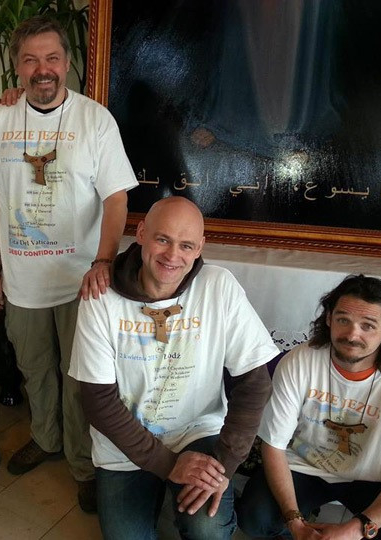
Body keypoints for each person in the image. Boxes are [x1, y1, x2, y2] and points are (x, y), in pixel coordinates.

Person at [0, 15, 138, 512]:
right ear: (17, 68)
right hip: (21, 278)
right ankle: (46, 439)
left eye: (51, 58)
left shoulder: (95, 120)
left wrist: (104, 261)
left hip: (79, 280)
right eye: (30, 59)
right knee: (35, 369)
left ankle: (83, 464)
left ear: (67, 64)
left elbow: (116, 198)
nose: (41, 69)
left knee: (80, 379)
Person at [68, 196, 279, 539]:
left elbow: (255, 384)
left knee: (208, 529)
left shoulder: (218, 285)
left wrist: (223, 467)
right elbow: (98, 401)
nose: (172, 255)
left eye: (186, 245)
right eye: (162, 239)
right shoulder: (101, 295)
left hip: (197, 431)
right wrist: (168, 464)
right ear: (140, 233)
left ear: (200, 248)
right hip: (123, 445)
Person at [237, 274, 381, 539]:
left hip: (373, 479)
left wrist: (355, 529)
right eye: (343, 320)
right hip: (304, 466)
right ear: (329, 319)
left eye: (368, 325)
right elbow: (274, 445)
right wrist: (295, 521)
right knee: (255, 518)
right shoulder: (299, 361)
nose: (352, 334)